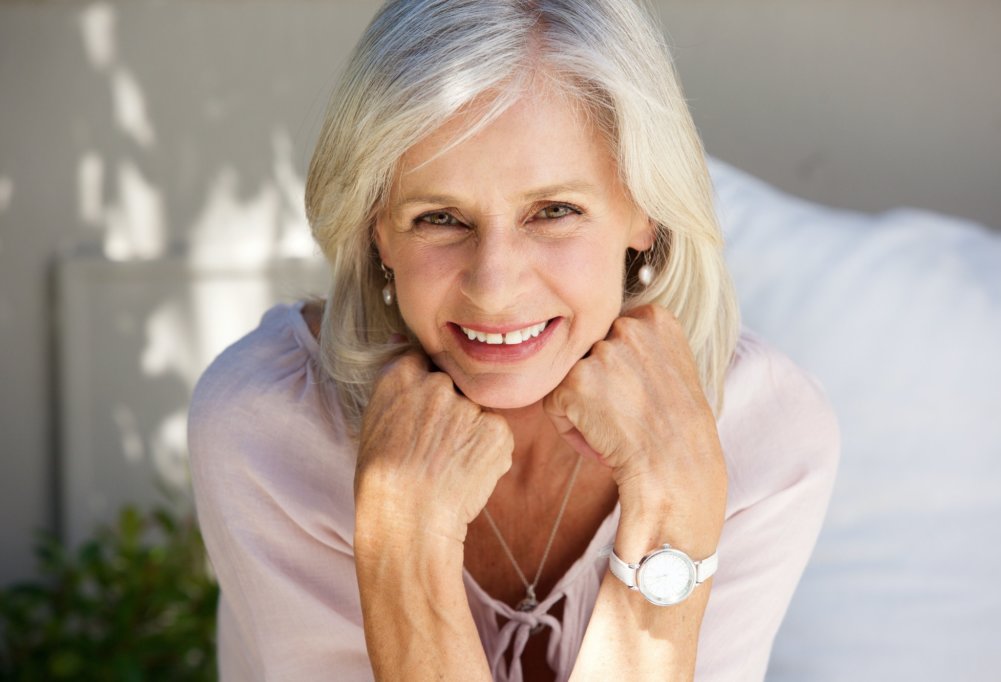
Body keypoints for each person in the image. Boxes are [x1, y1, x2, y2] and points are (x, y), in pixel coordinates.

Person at [187, 0, 840, 680]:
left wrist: (676, 499)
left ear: (645, 212)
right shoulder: (266, 431)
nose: (493, 287)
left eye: (554, 211)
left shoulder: (769, 434)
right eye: (439, 217)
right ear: (377, 229)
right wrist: (402, 551)